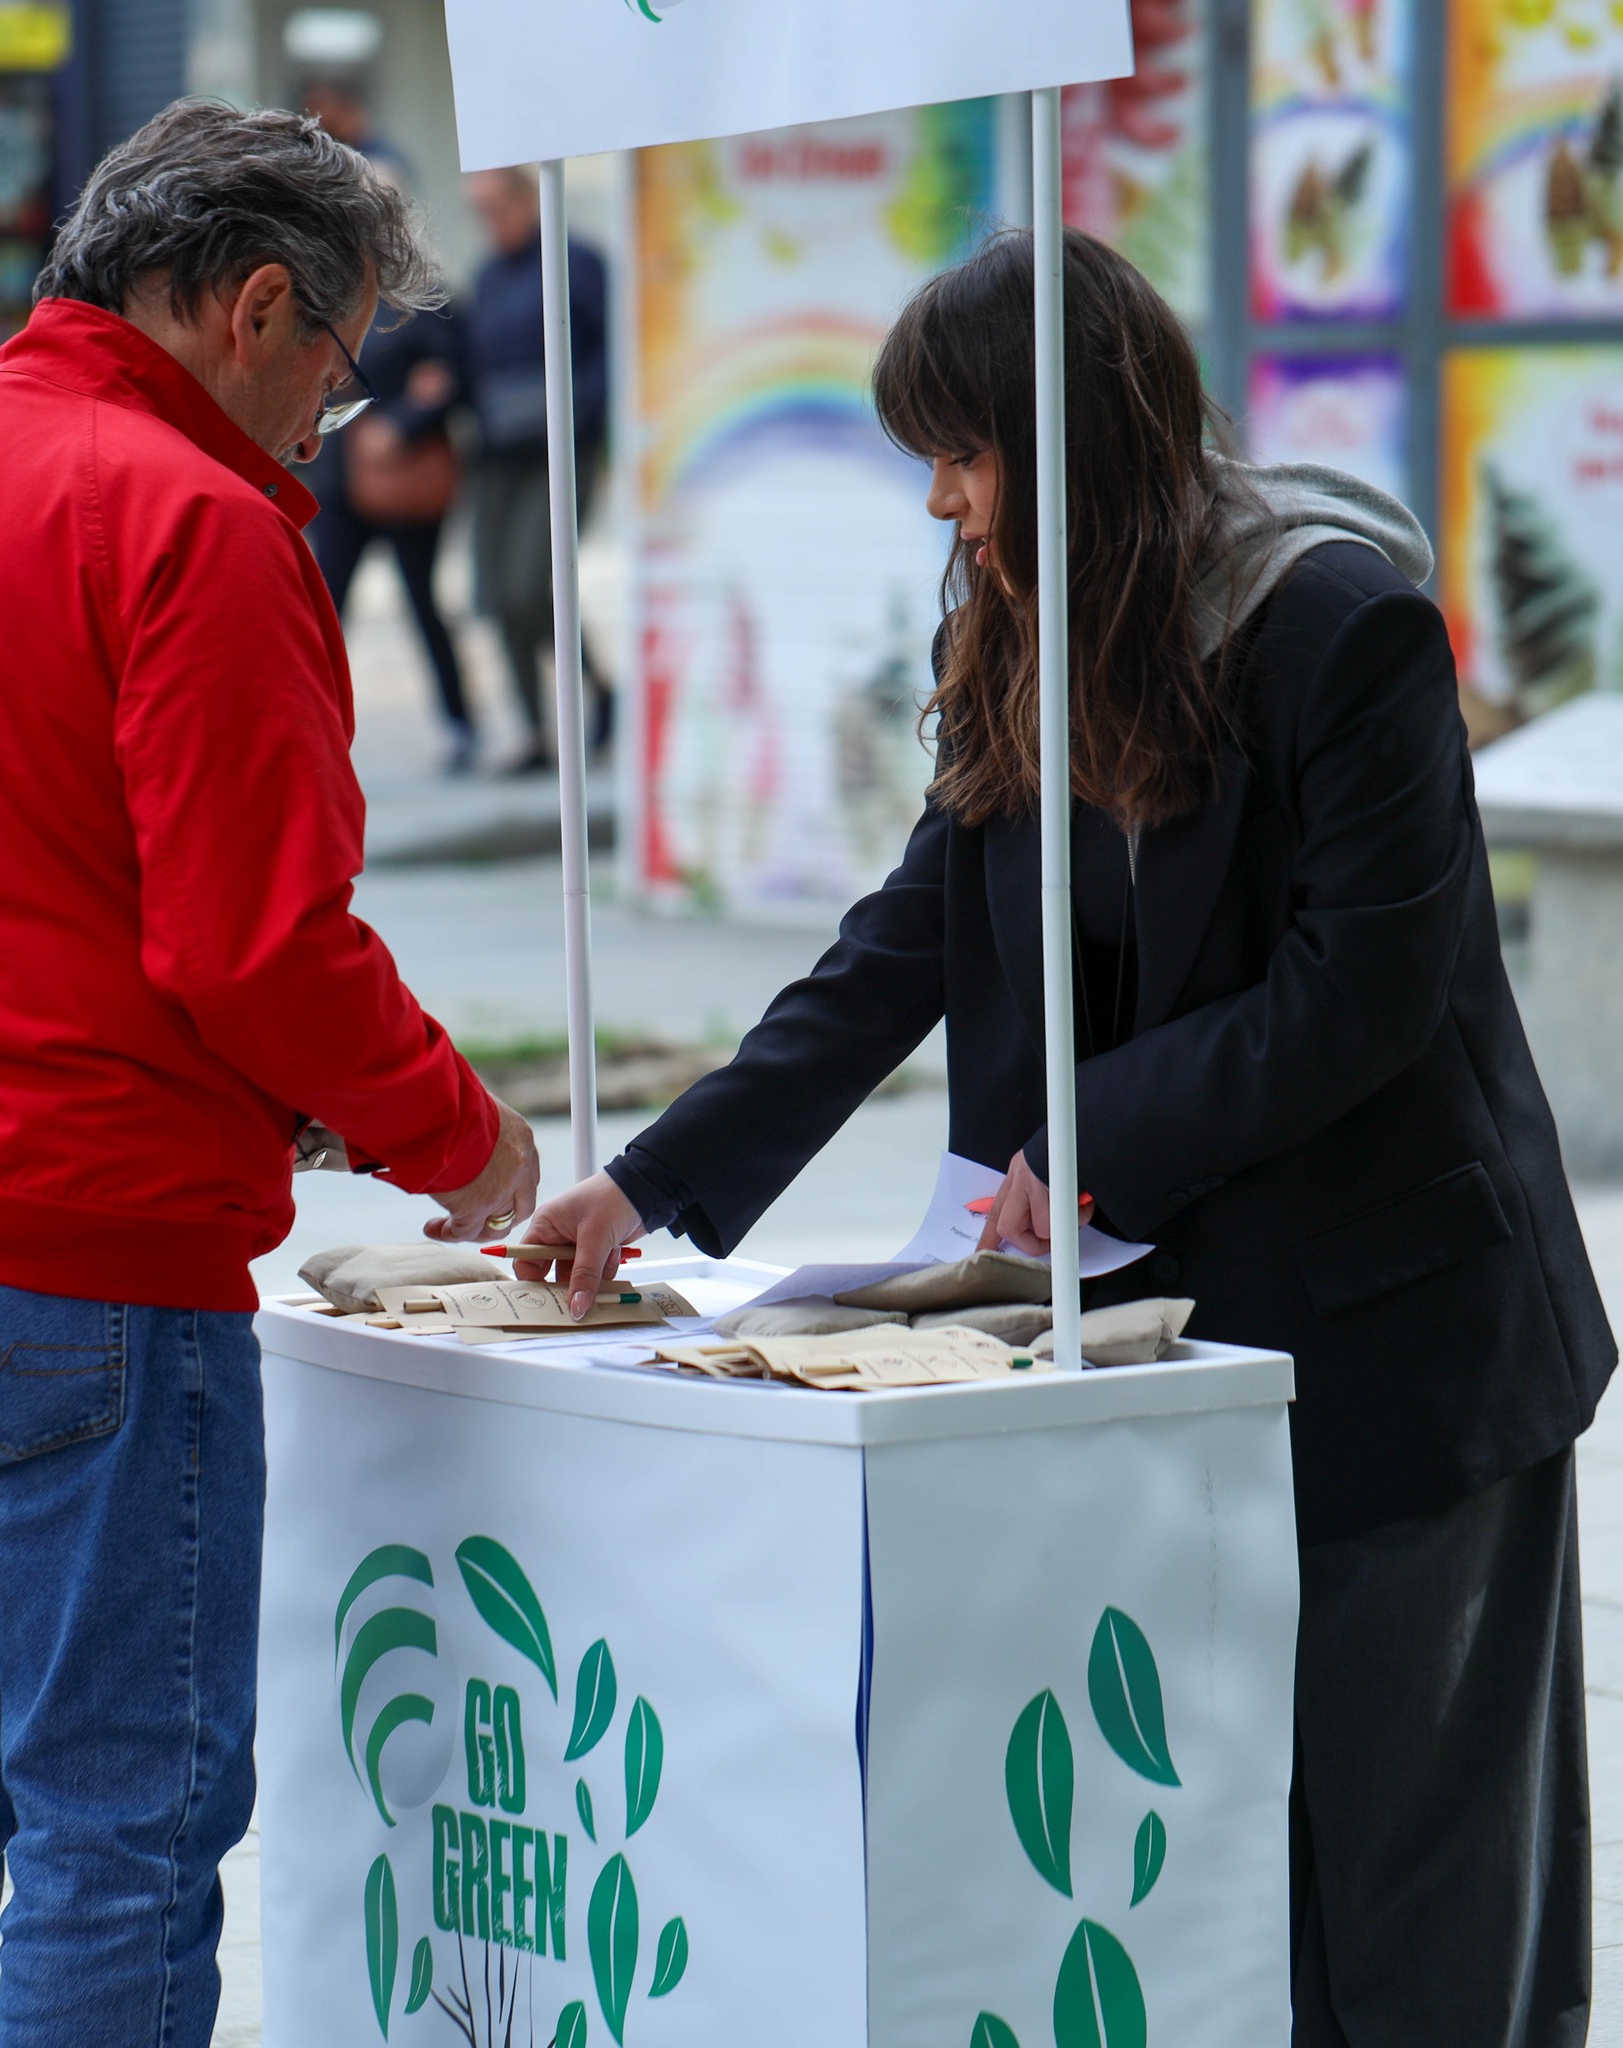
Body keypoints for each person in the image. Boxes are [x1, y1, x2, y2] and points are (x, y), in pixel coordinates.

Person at [522, 229, 1616, 2047]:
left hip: (1400, 1342)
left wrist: (1082, 1134)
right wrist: (649, 1183)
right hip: (1160, 1347)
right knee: (1223, 1873)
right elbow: (896, 946)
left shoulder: (1336, 629)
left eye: (961, 450)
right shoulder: (1018, 624)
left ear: (1073, 434)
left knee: (1415, 1882)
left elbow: (1364, 993)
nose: (942, 501)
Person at [0, 102, 537, 2046]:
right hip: (79, 1259)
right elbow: (257, 943)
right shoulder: (195, 521)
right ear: (260, 307)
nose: (322, 430)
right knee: (117, 1827)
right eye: (334, 383)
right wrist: (466, 1140)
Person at [463, 163, 614, 774]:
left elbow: (613, 351)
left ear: (528, 200)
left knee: (533, 587)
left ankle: (598, 686)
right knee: (494, 596)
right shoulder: (488, 276)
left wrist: (575, 408)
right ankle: (532, 730)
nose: (487, 219)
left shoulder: (577, 262)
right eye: (479, 210)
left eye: (495, 204)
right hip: (496, 451)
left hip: (561, 447)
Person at [303, 295, 478, 771]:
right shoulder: (325, 291)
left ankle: (460, 723)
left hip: (404, 478)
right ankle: (311, 726)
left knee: (422, 601)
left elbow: (454, 376)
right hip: (340, 481)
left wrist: (404, 423)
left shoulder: (423, 301)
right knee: (325, 605)